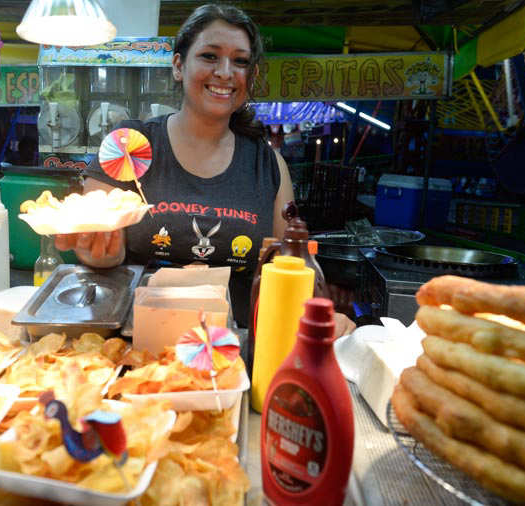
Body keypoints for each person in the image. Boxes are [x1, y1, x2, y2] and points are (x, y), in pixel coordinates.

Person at [56, 4, 353, 335]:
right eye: (210, 56)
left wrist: (321, 313)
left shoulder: (267, 165)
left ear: (251, 76)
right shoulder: (129, 145)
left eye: (240, 61)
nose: (225, 72)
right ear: (179, 65)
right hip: (135, 344)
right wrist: (101, 254)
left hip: (233, 351)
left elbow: (289, 270)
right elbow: (95, 250)